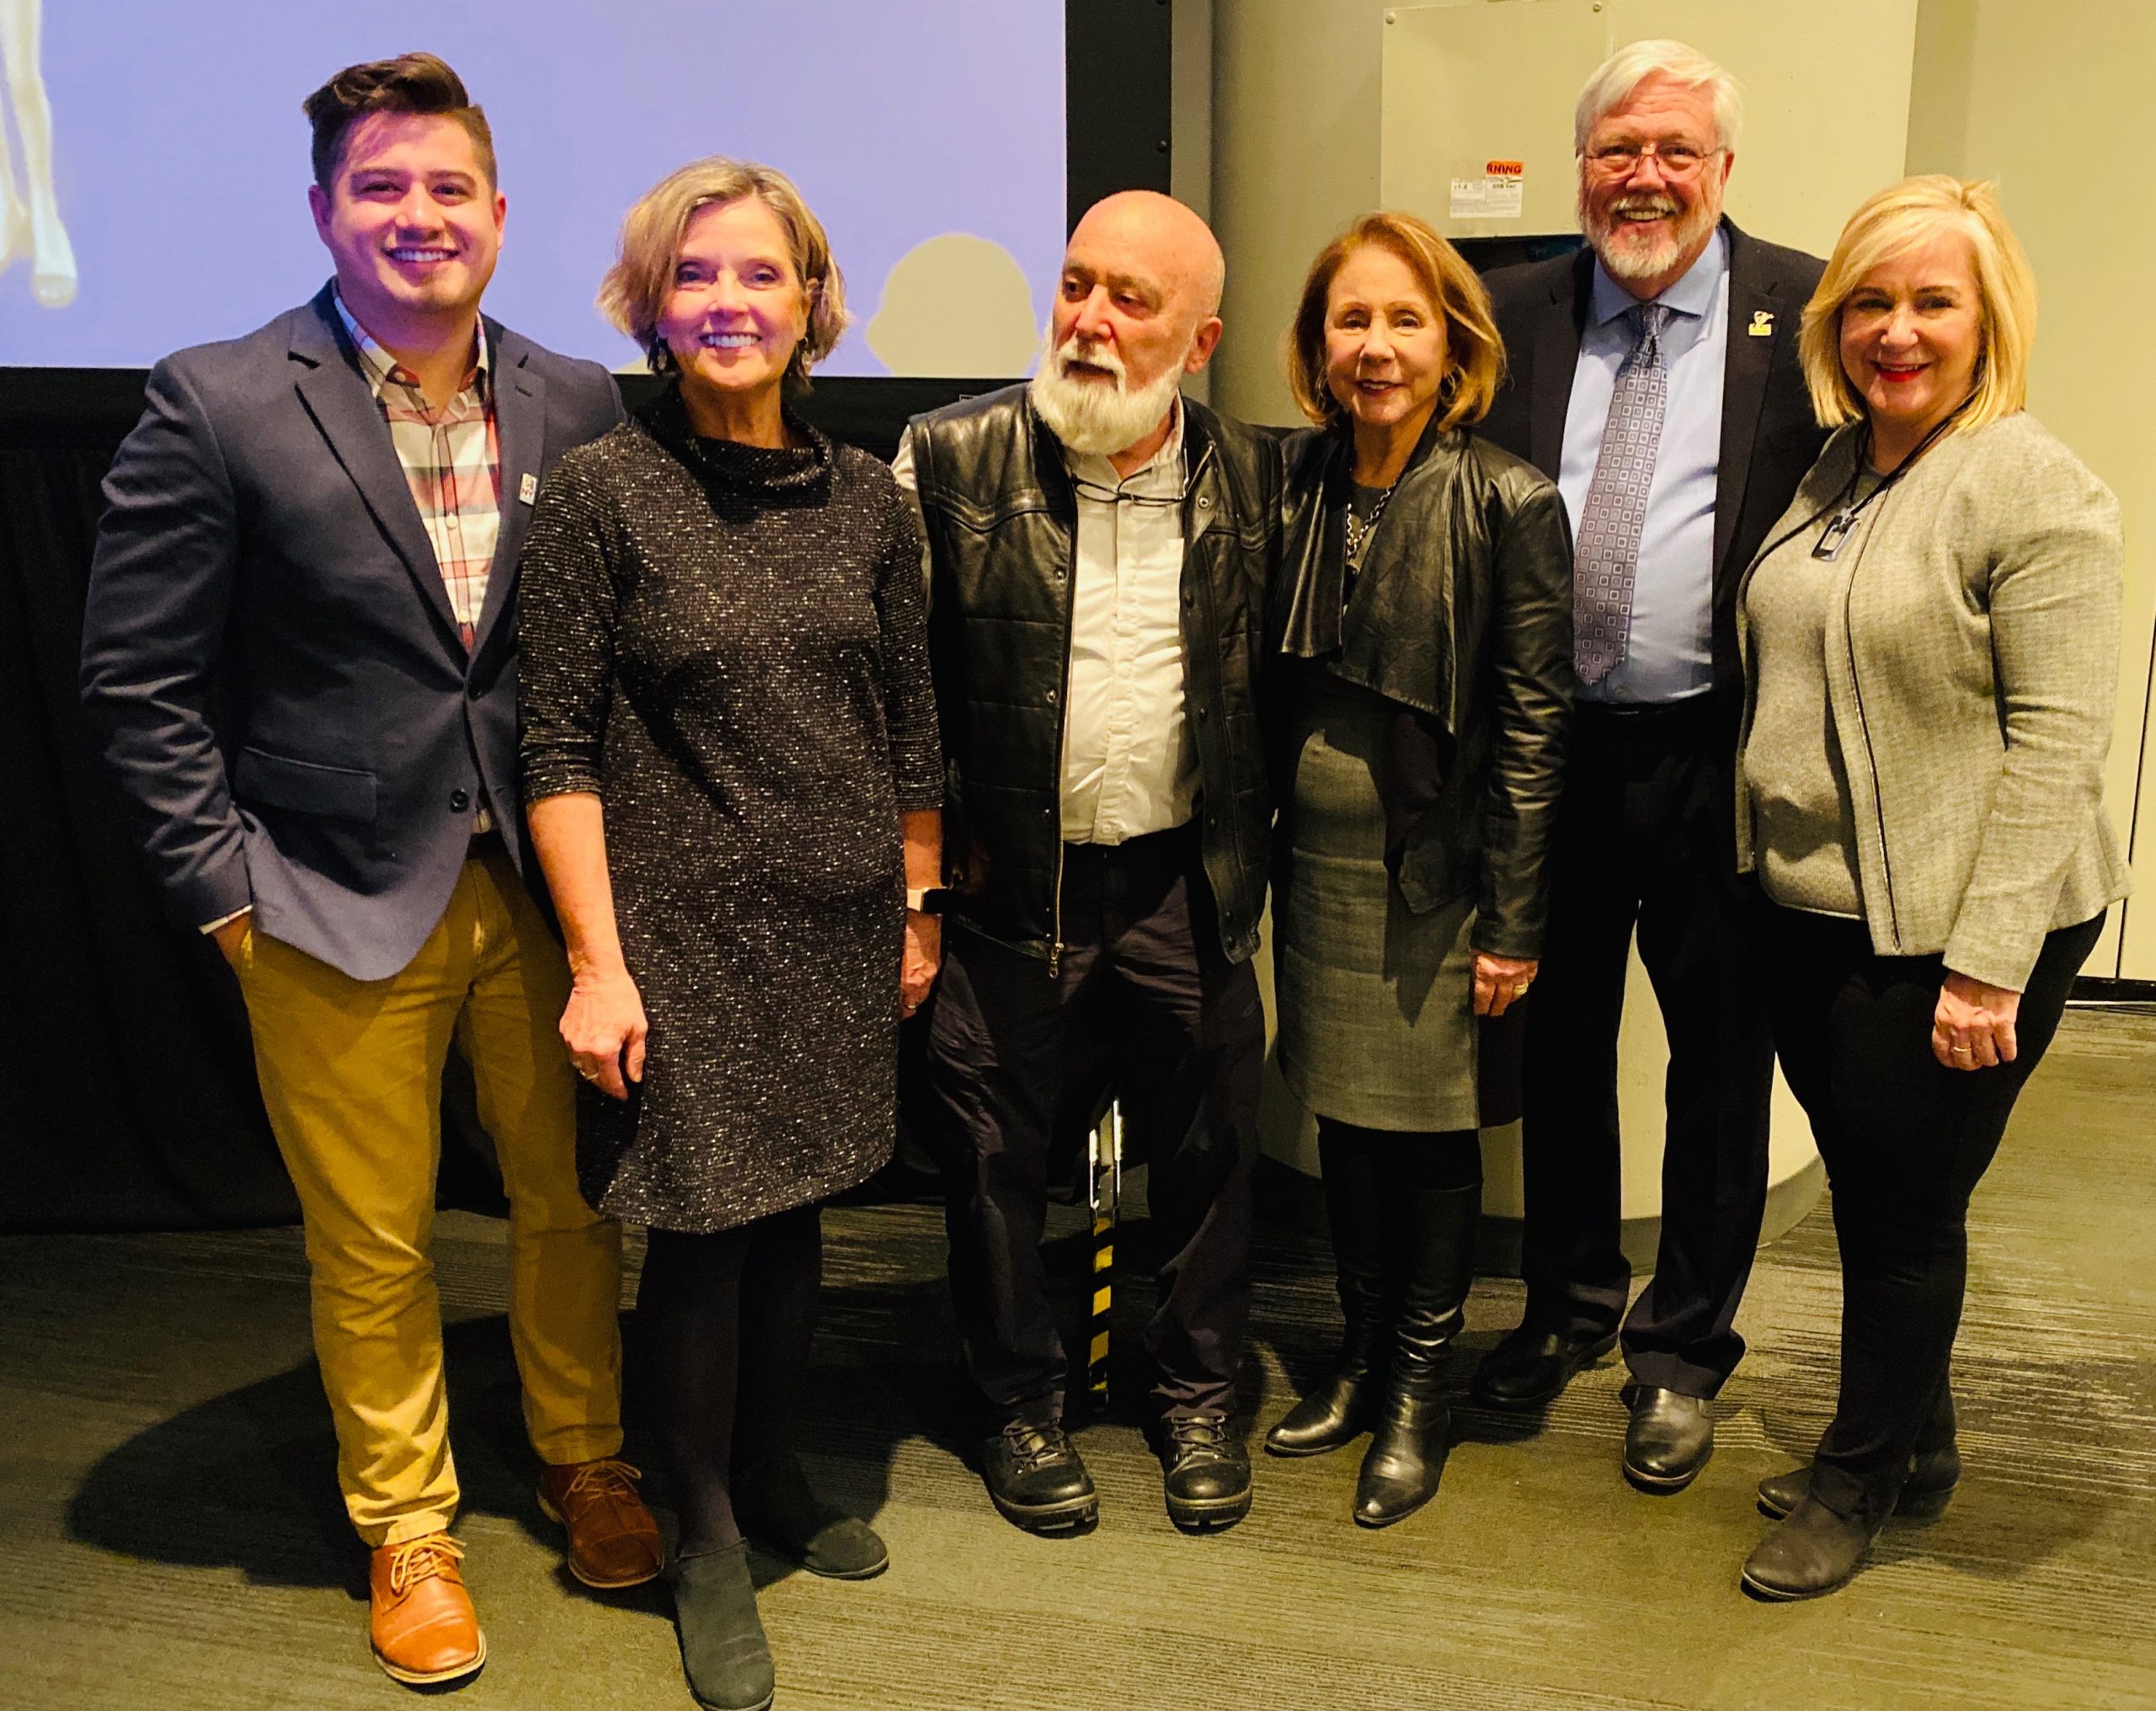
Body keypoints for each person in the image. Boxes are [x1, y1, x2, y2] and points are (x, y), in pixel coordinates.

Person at [77, 55, 655, 1687]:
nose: (419, 217)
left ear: (497, 212)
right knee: (375, 1236)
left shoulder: (575, 398)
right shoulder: (219, 397)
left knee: (569, 1197)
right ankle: (408, 1525)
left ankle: (586, 1451)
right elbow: (139, 679)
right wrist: (223, 890)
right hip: (324, 893)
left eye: (447, 188)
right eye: (382, 189)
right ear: (324, 210)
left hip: (547, 891)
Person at [517, 157, 942, 1711]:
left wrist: (918, 898)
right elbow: (554, 748)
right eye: (695, 278)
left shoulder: (867, 494)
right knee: (702, 1234)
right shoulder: (600, 497)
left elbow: (912, 717)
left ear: (812, 303)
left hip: (838, 924)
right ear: (650, 306)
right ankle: (694, 1521)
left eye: (759, 276)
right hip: (680, 932)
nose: (728, 305)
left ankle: (769, 1464)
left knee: (807, 1204)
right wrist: (597, 961)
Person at [1732, 176, 2126, 1600]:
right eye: (1872, 303)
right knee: (1884, 1193)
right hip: (1817, 910)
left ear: (1988, 319)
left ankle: (1856, 1483)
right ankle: (1918, 1442)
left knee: (1900, 1220)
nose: (1899, 330)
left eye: (1933, 301)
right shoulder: (1843, 470)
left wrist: (1988, 963)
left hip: (1956, 927)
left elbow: (2061, 745)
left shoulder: (2028, 481)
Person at [1472, 40, 1829, 1493]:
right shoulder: (1507, 316)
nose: (1646, 176)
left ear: (1724, 172)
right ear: (1581, 168)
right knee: (1554, 1049)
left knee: (1718, 1063)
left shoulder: (1806, 311)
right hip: (1548, 752)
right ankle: (1565, 1304)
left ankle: (1683, 1349)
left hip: (1716, 754)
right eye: (1620, 149)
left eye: (1678, 151)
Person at [894, 190, 1277, 1536]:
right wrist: (918, 891)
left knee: (1212, 1145)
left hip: (1186, 879)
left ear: (1203, 338)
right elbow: (903, 698)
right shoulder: (948, 460)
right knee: (993, 1155)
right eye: (1076, 285)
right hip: (1011, 885)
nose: (1091, 323)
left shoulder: (1262, 479)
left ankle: (1197, 1396)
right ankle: (1018, 1403)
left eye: (1134, 301)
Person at [1261, 212, 1572, 1527]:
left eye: (1404, 319)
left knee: (1432, 1134)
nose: (1375, 346)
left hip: (1438, 880)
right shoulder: (1299, 484)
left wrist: (1512, 917)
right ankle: (1356, 1350)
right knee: (1344, 1120)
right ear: (1317, 346)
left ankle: (1416, 1395)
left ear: (1454, 342)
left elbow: (1535, 725)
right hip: (1314, 870)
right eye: (1351, 320)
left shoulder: (1509, 499)